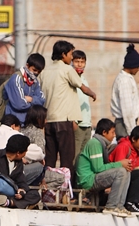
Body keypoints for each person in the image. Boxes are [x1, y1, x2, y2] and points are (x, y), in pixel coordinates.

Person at [39, 40, 96, 171]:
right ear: (63, 54)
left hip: (49, 121)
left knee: (51, 158)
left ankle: (49, 188)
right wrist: (92, 94)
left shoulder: (45, 71)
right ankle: (67, 189)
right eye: (70, 54)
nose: (71, 57)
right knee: (67, 159)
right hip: (64, 121)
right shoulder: (67, 70)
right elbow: (82, 87)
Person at [76, 118, 132, 217]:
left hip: (94, 177)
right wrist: (119, 163)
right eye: (112, 132)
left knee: (126, 172)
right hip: (88, 180)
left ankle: (119, 206)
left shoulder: (101, 143)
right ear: (104, 132)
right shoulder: (95, 143)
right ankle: (111, 206)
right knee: (120, 172)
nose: (114, 135)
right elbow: (98, 168)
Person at [109, 125, 139, 215]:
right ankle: (130, 203)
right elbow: (119, 167)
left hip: (128, 175)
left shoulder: (137, 150)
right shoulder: (124, 146)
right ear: (134, 139)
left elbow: (135, 167)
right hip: (117, 178)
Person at [110, 44, 139, 138]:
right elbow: (127, 109)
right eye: (137, 66)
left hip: (127, 123)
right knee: (126, 151)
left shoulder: (127, 79)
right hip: (125, 124)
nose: (138, 69)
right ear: (132, 66)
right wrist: (132, 132)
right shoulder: (124, 81)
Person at [4, 53, 46, 124]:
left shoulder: (35, 82)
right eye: (34, 70)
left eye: (39, 71)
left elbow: (42, 100)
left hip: (28, 122)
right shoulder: (16, 79)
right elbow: (19, 104)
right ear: (27, 65)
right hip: (14, 123)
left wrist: (30, 99)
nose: (36, 73)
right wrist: (34, 103)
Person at [72, 50, 93, 158]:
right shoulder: (71, 79)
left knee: (84, 156)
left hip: (86, 124)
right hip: (78, 124)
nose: (80, 64)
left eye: (82, 61)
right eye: (76, 61)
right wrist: (73, 120)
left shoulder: (84, 79)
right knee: (75, 156)